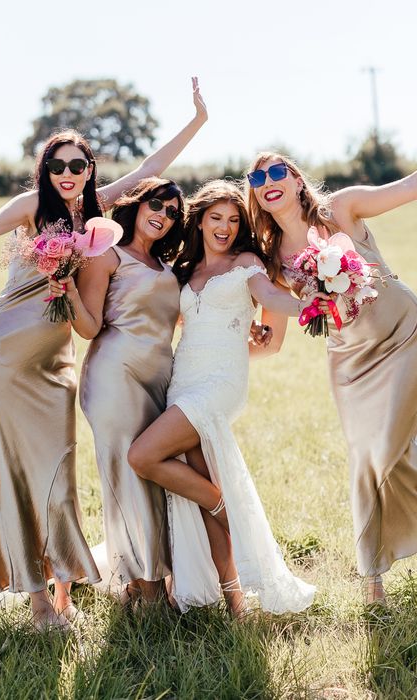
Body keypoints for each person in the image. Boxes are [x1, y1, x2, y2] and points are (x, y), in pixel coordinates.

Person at [0, 78, 208, 629]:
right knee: (16, 471)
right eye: (58, 166)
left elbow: (154, 166)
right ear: (45, 171)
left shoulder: (101, 212)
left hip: (56, 361)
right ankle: (39, 603)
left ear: (90, 171)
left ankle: (63, 592)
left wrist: (197, 121)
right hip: (5, 350)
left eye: (78, 165)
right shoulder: (33, 207)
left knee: (58, 474)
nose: (68, 175)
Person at [244, 122, 417, 603]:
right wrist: (214, 347)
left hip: (402, 334)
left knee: (388, 444)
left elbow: (412, 185)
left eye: (276, 171)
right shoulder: (274, 262)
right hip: (348, 360)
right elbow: (274, 339)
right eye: (257, 180)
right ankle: (372, 580)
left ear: (297, 179)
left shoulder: (342, 210)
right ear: (255, 197)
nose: (268, 183)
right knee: (366, 459)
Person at [127, 180, 317, 616]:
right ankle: (233, 599)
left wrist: (312, 302)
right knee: (196, 483)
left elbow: (270, 296)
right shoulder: (185, 271)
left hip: (220, 385)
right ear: (200, 219)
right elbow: (180, 328)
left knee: (143, 456)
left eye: (233, 220)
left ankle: (225, 506)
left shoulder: (246, 262)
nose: (225, 227)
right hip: (182, 381)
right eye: (216, 218)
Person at [49, 178, 185, 607]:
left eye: (172, 212)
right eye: (156, 204)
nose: (162, 215)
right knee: (129, 475)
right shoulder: (107, 255)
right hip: (113, 377)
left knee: (153, 475)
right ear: (138, 205)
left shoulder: (167, 267)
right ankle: (146, 588)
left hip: (158, 382)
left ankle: (145, 579)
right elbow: (89, 327)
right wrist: (67, 286)